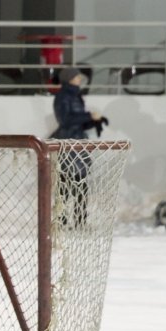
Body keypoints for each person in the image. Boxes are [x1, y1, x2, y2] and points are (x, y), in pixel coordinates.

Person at [51, 67, 107, 228]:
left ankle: (80, 220)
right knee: (66, 183)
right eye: (77, 77)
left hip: (79, 143)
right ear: (69, 79)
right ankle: (61, 220)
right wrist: (88, 116)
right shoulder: (62, 96)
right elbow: (65, 120)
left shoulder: (76, 95)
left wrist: (95, 121)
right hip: (68, 143)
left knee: (81, 182)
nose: (80, 79)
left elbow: (77, 121)